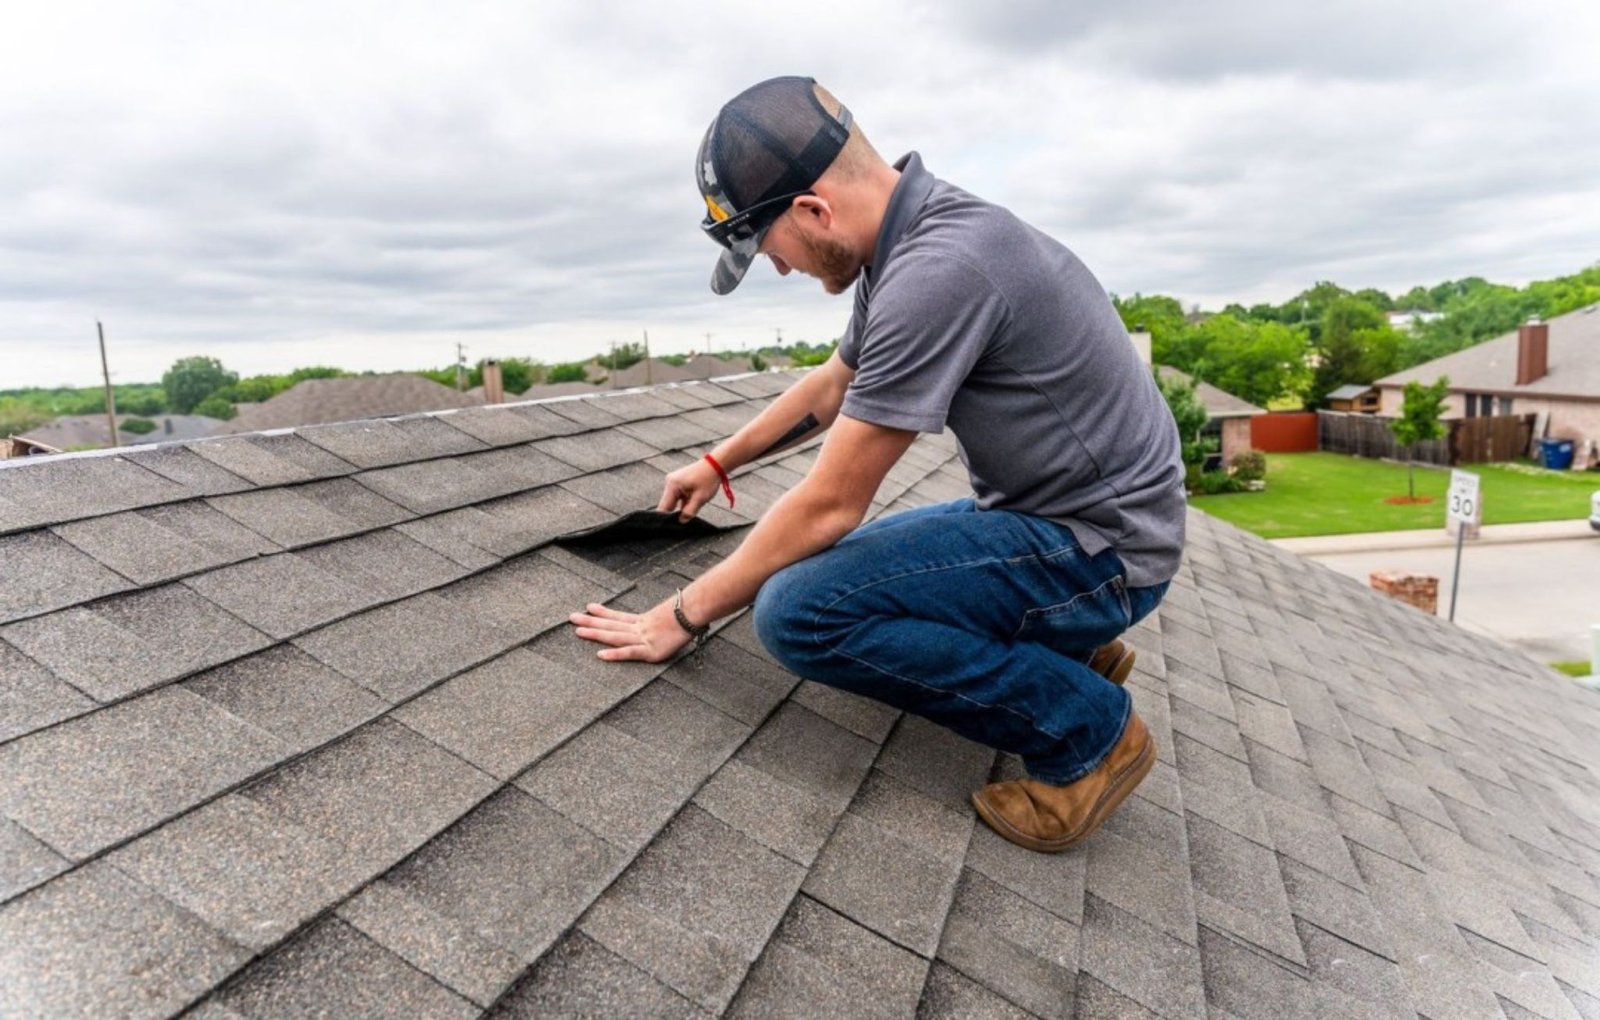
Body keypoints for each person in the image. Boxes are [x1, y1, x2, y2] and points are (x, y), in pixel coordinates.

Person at [570, 76, 1185, 853]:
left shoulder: (939, 273)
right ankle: (1068, 644)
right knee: (850, 571)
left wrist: (678, 616)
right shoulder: (912, 237)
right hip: (1076, 522)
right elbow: (833, 386)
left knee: (798, 611)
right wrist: (716, 462)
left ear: (813, 210)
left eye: (771, 249)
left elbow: (831, 506)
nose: (783, 269)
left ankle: (1087, 731)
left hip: (1101, 553)